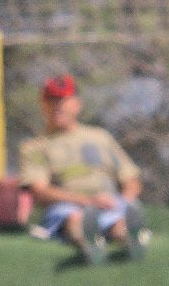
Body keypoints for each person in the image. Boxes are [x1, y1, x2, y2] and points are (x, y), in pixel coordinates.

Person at [18, 73, 150, 264]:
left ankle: (130, 235)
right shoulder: (34, 147)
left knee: (119, 224)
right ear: (43, 105)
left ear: (77, 104)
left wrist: (124, 200)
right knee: (75, 221)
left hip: (108, 203)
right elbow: (40, 191)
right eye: (51, 100)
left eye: (62, 100)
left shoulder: (100, 137)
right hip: (67, 208)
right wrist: (88, 200)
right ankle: (90, 243)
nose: (57, 106)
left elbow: (130, 178)